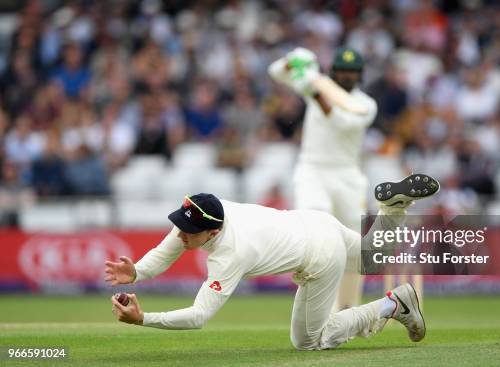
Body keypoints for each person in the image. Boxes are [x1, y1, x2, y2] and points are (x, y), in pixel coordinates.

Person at [106, 174, 440, 350]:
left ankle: (392, 306)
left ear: (211, 233)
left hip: (319, 255)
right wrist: (138, 270)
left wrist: (144, 318)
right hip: (316, 222)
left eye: (189, 231)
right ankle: (394, 209)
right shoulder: (212, 208)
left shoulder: (231, 254)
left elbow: (198, 317)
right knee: (373, 259)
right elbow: (172, 245)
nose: (180, 235)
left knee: (309, 341)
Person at [268, 47, 377, 311]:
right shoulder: (318, 83)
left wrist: (314, 92)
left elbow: (340, 123)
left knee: (353, 243)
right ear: (333, 71)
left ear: (359, 75)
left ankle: (348, 308)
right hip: (312, 170)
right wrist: (295, 61)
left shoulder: (366, 104)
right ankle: (318, 308)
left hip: (348, 176)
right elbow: (275, 72)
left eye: (351, 72)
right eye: (341, 71)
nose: (346, 76)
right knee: (318, 230)